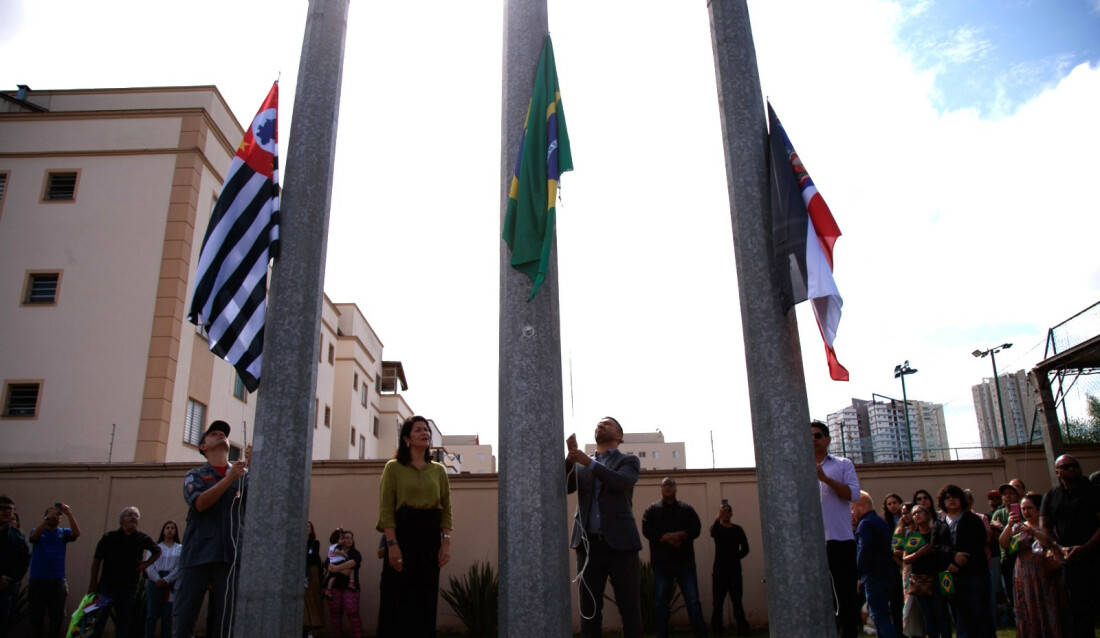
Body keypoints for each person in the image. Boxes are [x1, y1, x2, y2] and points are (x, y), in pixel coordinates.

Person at [565, 416, 643, 638]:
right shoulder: (582, 463)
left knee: (630, 610)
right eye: (598, 423)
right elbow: (564, 486)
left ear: (618, 436)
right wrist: (571, 459)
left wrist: (588, 463)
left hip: (622, 546)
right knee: (589, 611)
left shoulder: (629, 461)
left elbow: (621, 482)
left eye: (607, 423)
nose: (600, 425)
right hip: (588, 547)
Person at [173, 419, 250, 638]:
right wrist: (229, 479)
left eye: (223, 433)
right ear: (203, 447)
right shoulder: (195, 475)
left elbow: (261, 506)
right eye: (213, 433)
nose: (220, 435)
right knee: (184, 621)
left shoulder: (242, 476)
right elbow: (199, 503)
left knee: (225, 626)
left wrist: (256, 466)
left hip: (229, 559)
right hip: (197, 557)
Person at [376, 415, 452, 637]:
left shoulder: (438, 470)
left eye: (426, 429)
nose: (425, 432)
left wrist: (445, 544)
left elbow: (446, 509)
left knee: (425, 597)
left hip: (430, 537)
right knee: (396, 597)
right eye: (418, 429)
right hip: (402, 535)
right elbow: (387, 510)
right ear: (407, 438)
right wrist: (392, 544)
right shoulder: (393, 468)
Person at [1041, 454, 1100, 638]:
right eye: (1066, 467)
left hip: (1096, 557)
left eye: (1075, 465)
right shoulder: (1051, 496)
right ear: (1058, 472)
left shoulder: (1094, 491)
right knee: (1078, 613)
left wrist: (1086, 547)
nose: (1072, 469)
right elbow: (1046, 528)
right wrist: (1060, 548)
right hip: (1071, 562)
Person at [641, 477, 707, 638]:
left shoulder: (687, 509)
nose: (668, 487)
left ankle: (701, 634)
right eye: (664, 485)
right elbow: (646, 530)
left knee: (693, 601)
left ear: (676, 488)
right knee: (661, 603)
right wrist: (666, 538)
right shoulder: (652, 510)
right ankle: (662, 634)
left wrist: (681, 535)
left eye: (671, 485)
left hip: (685, 563)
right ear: (661, 489)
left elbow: (697, 528)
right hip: (662, 565)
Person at [811, 420, 860, 638]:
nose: (813, 440)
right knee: (818, 598)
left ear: (828, 439)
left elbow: (853, 494)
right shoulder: (796, 467)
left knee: (846, 597)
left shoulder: (842, 464)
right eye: (809, 436)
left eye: (818, 435)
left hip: (839, 540)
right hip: (812, 544)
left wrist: (824, 479)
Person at [999, 493, 1066, 637]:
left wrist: (1034, 533)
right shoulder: (1018, 527)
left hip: (1044, 570)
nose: (1026, 512)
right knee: (1027, 607)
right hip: (1023, 573)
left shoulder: (1047, 527)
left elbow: (1051, 543)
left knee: (1047, 605)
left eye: (1030, 508)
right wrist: (1009, 526)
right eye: (1023, 509)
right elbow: (1004, 544)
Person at [88, 506, 160, 638]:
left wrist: (146, 564)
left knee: (123, 624)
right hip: (106, 588)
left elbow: (158, 551)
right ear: (122, 519)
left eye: (136, 515)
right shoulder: (109, 537)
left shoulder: (142, 538)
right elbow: (97, 560)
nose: (133, 517)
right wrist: (93, 583)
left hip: (128, 589)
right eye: (129, 514)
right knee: (98, 621)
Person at [939, 483, 994, 638]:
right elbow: (936, 546)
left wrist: (958, 561)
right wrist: (951, 558)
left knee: (980, 616)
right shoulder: (941, 523)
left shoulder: (972, 519)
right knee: (960, 617)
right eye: (947, 498)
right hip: (951, 576)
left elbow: (978, 542)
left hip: (975, 574)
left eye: (955, 497)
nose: (951, 501)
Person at [28, 503, 81, 638]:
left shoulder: (63, 533)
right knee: (36, 618)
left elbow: (76, 533)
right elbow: (33, 538)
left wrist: (69, 513)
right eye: (52, 514)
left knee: (56, 618)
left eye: (58, 515)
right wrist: (46, 519)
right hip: (38, 580)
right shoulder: (38, 531)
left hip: (57, 580)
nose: (56, 517)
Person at [853, 491, 898, 638]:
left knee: (879, 617)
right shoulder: (881, 522)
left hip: (873, 576)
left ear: (861, 506)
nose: (852, 512)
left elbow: (864, 550)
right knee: (882, 616)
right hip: (887, 574)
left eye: (853, 508)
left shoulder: (865, 524)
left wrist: (858, 574)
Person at [902, 503, 951, 638]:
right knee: (928, 616)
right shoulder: (913, 536)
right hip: (921, 581)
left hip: (939, 577)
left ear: (928, 514)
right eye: (914, 514)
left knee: (942, 613)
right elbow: (906, 559)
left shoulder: (938, 531)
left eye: (919, 512)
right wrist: (919, 553)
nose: (916, 515)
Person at [710, 502, 750, 637]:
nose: (725, 514)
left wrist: (735, 557)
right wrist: (718, 516)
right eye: (723, 512)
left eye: (728, 512)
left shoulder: (738, 529)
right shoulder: (718, 529)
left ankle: (743, 630)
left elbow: (746, 548)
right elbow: (712, 532)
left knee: (737, 602)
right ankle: (717, 630)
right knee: (718, 603)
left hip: (734, 571)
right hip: (719, 571)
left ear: (731, 514)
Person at [989, 482, 1021, 621]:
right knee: (1010, 589)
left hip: (1024, 554)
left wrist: (1002, 527)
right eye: (1004, 494)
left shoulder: (1023, 509)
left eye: (1011, 493)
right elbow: (997, 538)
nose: (1007, 496)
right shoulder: (998, 513)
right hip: (1007, 557)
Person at [143, 521, 181, 638]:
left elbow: (179, 567)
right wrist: (156, 579)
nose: (170, 530)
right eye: (167, 527)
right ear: (163, 531)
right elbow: (148, 565)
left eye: (172, 528)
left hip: (171, 583)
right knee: (151, 614)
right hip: (155, 581)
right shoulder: (155, 547)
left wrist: (167, 579)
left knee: (167, 614)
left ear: (175, 531)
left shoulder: (180, 548)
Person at [0, 495, 30, 637]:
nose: (6, 512)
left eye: (10, 509)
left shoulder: (17, 535)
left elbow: (24, 559)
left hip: (7, 589)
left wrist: (12, 579)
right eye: (3, 508)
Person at [326, 530, 362, 638]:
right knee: (335, 613)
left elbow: (353, 562)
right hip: (335, 587)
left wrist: (336, 568)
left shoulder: (355, 553)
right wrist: (342, 569)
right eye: (346, 538)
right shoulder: (333, 551)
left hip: (350, 588)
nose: (349, 540)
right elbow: (328, 566)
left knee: (353, 613)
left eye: (351, 538)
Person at [880, 494, 904, 633]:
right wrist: (898, 562)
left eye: (895, 502)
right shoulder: (885, 523)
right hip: (893, 564)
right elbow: (889, 547)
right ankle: (898, 629)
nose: (893, 506)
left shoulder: (907, 518)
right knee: (896, 599)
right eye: (889, 504)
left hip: (909, 561)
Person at [303, 521, 324, 638]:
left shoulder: (314, 543)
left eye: (308, 526)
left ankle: (312, 631)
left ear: (311, 529)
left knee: (313, 601)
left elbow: (311, 556)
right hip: (302, 574)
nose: (306, 528)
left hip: (312, 574)